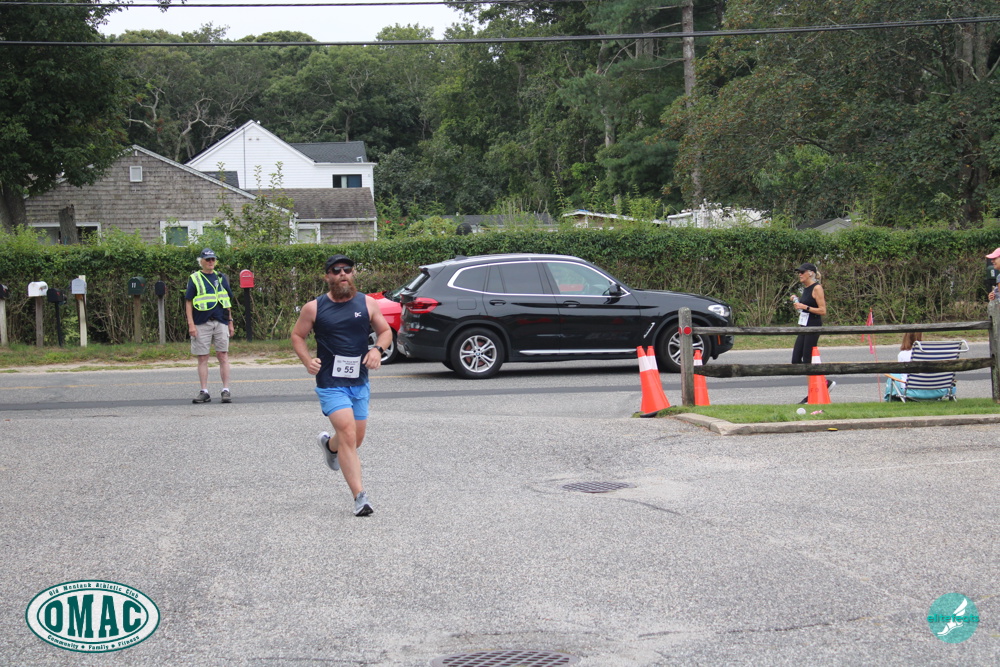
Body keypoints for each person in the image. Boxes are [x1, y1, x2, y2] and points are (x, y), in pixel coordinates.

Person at [291, 254, 392, 517]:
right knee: (347, 433)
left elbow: (385, 331)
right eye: (336, 270)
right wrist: (307, 360)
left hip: (359, 381)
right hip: (330, 382)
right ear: (328, 276)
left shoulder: (367, 303)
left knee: (355, 439)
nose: (342, 274)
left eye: (347, 269)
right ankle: (360, 497)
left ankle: (329, 446)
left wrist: (377, 350)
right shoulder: (314, 308)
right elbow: (297, 335)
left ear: (353, 273)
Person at [185, 248, 235, 404]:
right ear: (201, 261)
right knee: (202, 357)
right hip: (201, 322)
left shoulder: (221, 277)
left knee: (223, 355)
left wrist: (230, 322)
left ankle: (225, 390)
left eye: (213, 259)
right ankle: (204, 391)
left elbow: (226, 301)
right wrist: (191, 324)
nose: (211, 262)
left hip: (221, 321)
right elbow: (188, 301)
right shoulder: (195, 278)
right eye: (208, 259)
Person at [789, 262, 833, 403]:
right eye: (799, 272)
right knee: (796, 360)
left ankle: (814, 392)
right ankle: (824, 383)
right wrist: (797, 301)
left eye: (802, 272)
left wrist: (805, 307)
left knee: (808, 360)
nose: (800, 275)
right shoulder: (806, 288)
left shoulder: (817, 288)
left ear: (811, 273)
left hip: (813, 325)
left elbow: (822, 310)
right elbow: (805, 306)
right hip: (804, 325)